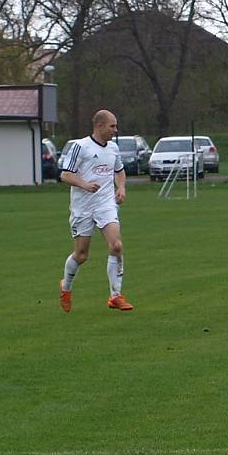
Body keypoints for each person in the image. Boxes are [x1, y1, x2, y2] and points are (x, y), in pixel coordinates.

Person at [58, 110, 134, 312]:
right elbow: (65, 175)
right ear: (100, 126)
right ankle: (66, 287)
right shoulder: (80, 147)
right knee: (81, 255)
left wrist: (121, 187)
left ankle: (115, 296)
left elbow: (119, 171)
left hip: (105, 204)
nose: (115, 130)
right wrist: (84, 184)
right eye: (112, 126)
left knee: (116, 245)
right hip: (82, 207)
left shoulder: (113, 148)